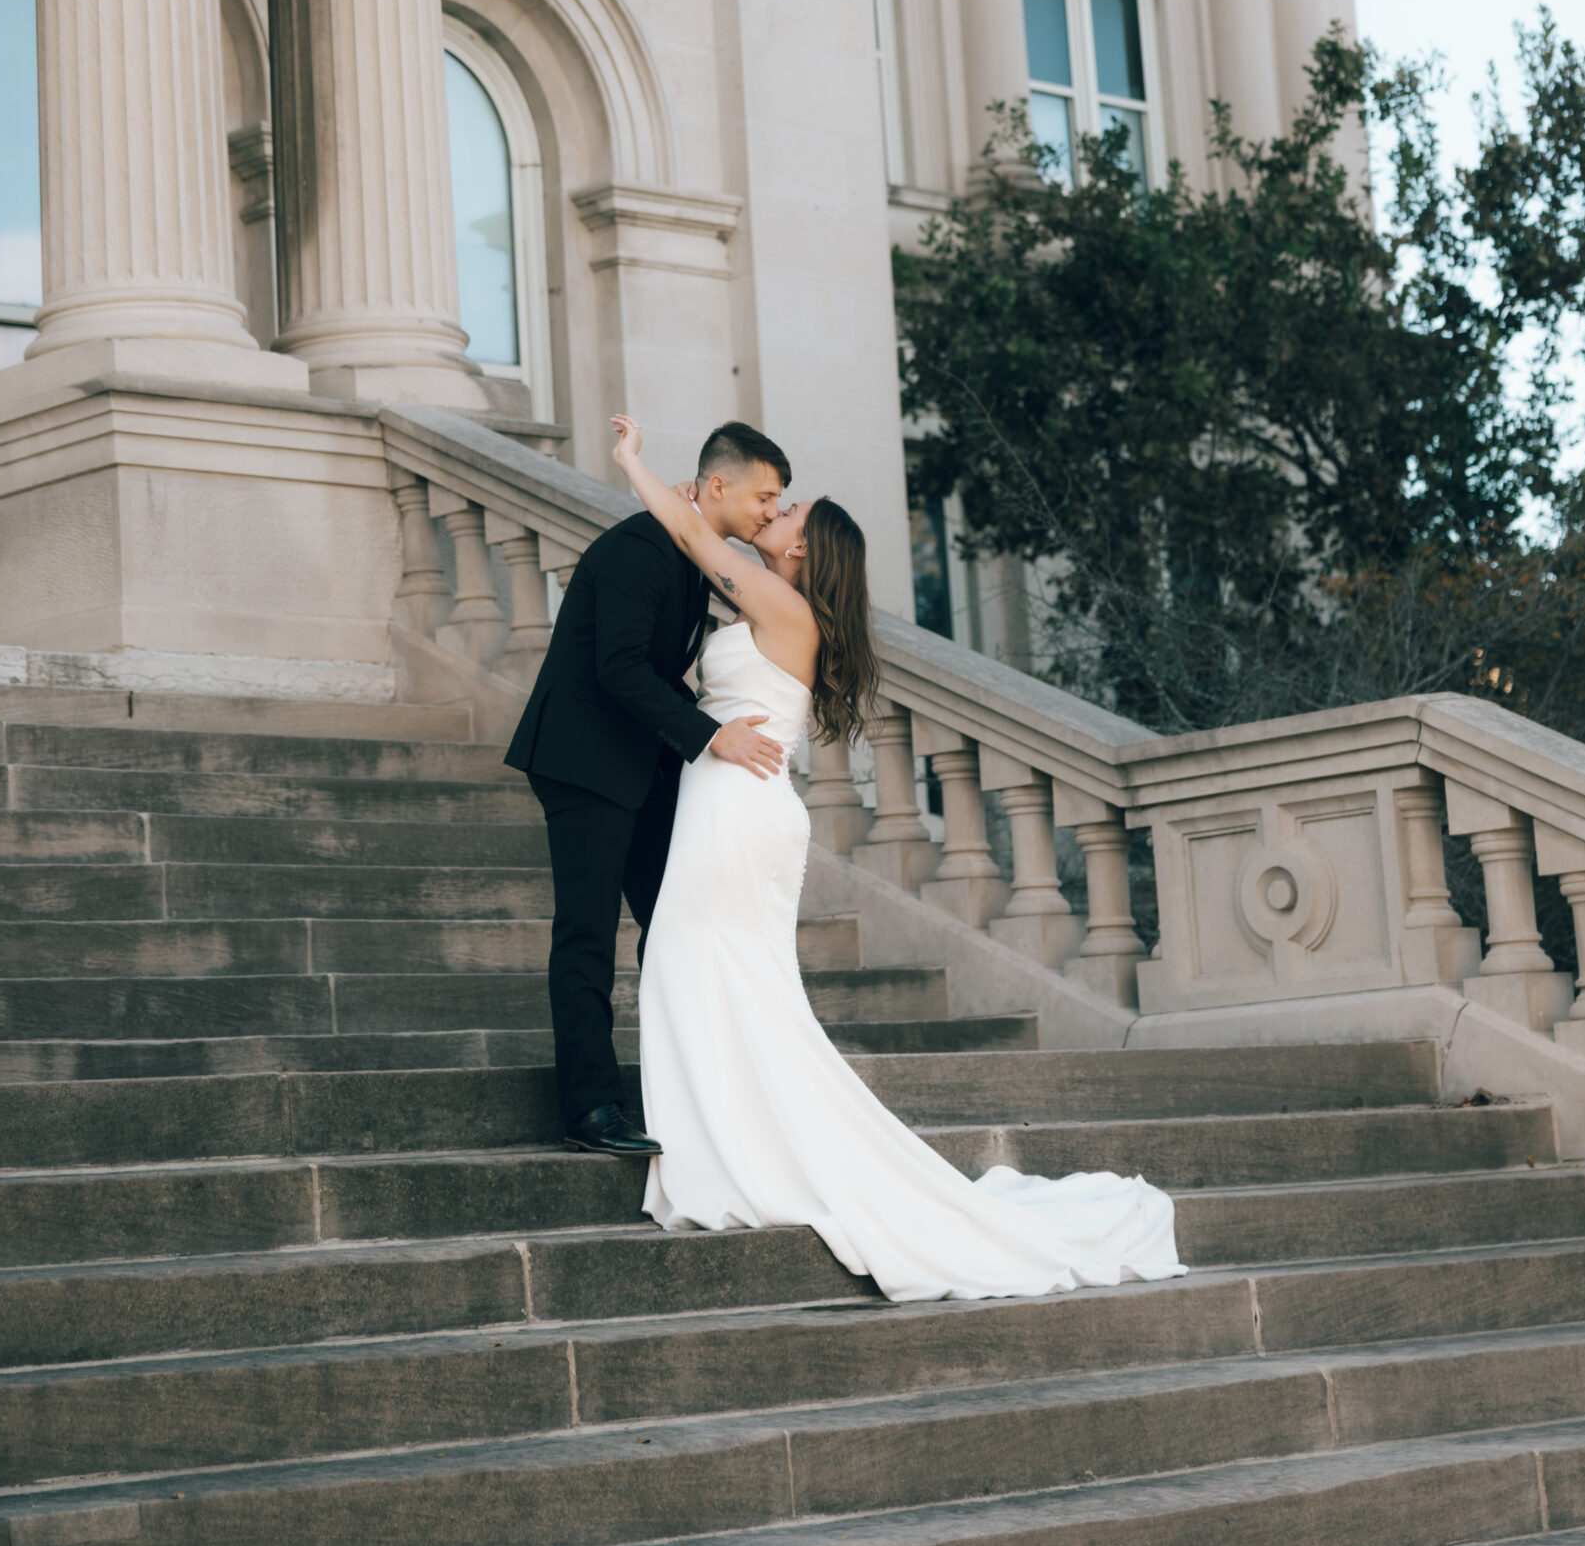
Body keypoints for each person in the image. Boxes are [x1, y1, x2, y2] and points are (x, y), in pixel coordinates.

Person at [609, 415, 1187, 1302]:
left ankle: (730, 1156)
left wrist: (631, 464)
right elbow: (698, 550)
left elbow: (691, 534)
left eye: (789, 514)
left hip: (736, 809)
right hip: (731, 802)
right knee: (710, 977)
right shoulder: (769, 599)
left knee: (700, 969)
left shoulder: (782, 606)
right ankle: (722, 1147)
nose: (778, 512)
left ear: (804, 553)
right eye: (778, 501)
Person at [505, 420, 792, 1156]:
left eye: (779, 501)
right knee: (587, 934)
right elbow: (619, 669)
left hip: (644, 764)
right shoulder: (641, 549)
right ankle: (590, 1108)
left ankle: (693, 1092)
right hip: (582, 760)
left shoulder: (698, 555)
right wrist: (712, 735)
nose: (770, 510)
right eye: (765, 495)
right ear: (716, 485)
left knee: (680, 924)